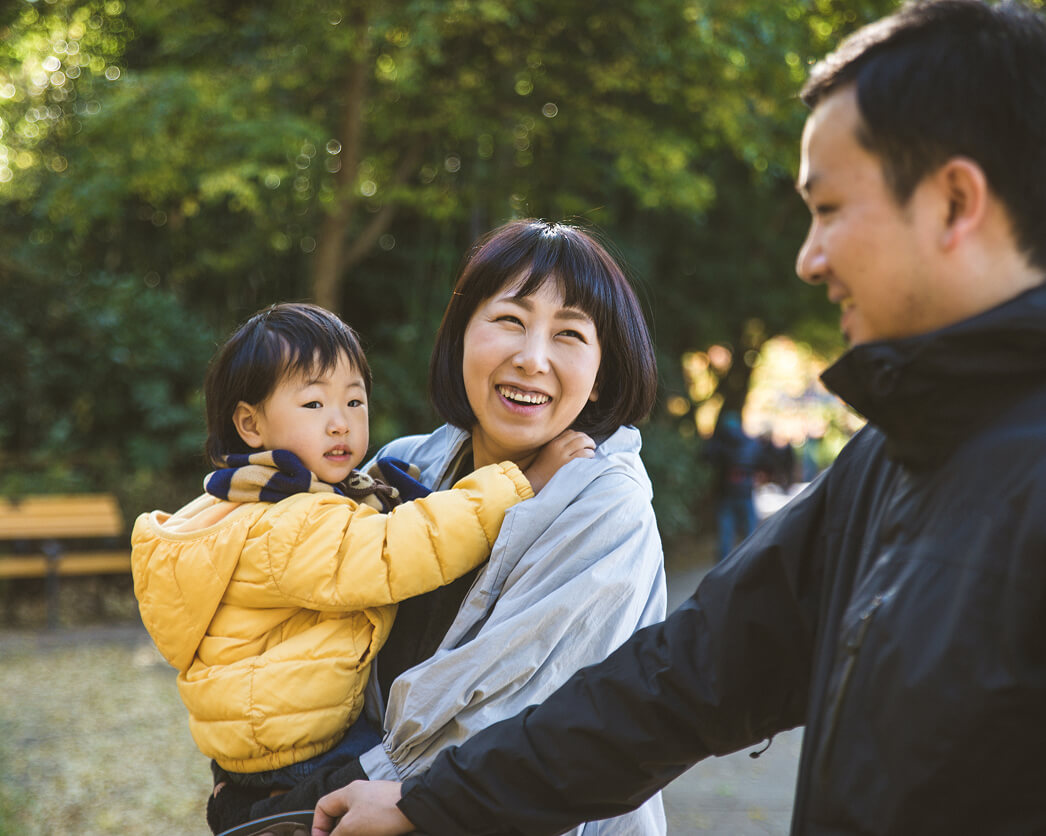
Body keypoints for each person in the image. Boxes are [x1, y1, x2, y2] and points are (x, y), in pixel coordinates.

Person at [311, 2, 1046, 834]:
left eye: (831, 209)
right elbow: (678, 684)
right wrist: (430, 801)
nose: (809, 259)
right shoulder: (889, 461)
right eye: (507, 322)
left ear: (955, 202)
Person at [209, 221, 667, 834]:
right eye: (510, 320)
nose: (532, 359)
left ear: (602, 372)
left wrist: (323, 799)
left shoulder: (605, 504)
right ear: (459, 337)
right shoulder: (404, 465)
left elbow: (506, 716)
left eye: (569, 334)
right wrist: (251, 757)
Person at [130, 303, 587, 805]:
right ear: (250, 424)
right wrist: (522, 482)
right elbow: (396, 551)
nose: (339, 424)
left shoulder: (245, 498)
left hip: (263, 737)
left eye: (354, 402)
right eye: (313, 405)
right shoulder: (290, 523)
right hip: (298, 748)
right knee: (428, 785)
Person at [703, 410, 761, 560]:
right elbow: (763, 462)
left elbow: (706, 457)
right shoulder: (751, 443)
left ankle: (723, 568)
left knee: (725, 534)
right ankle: (750, 562)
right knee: (750, 532)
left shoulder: (720, 443)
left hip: (725, 493)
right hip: (746, 491)